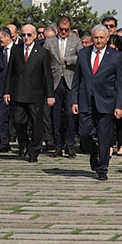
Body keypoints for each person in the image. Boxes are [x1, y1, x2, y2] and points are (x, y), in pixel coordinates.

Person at [71, 24, 122, 181]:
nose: (99, 40)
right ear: (91, 38)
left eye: (102, 38)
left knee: (104, 136)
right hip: (85, 100)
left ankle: (102, 168)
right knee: (83, 133)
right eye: (96, 38)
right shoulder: (83, 54)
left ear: (107, 38)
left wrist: (120, 105)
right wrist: (74, 100)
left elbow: (121, 83)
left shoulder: (115, 56)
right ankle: (93, 151)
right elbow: (77, 79)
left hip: (106, 101)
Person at [3, 24, 55, 162]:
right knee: (18, 122)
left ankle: (34, 150)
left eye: (29, 35)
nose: (26, 37)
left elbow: (47, 75)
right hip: (19, 92)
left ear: (35, 36)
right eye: (24, 35)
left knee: (37, 123)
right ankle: (23, 143)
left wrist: (50, 94)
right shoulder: (16, 50)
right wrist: (6, 91)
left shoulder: (42, 52)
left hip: (36, 93)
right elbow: (9, 72)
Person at [44, 16, 82, 158]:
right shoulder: (49, 42)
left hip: (70, 81)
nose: (64, 32)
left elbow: (82, 57)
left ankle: (69, 145)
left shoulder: (76, 41)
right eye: (61, 29)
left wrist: (68, 60)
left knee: (70, 115)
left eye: (66, 29)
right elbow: (45, 62)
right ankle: (58, 145)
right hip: (55, 82)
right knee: (55, 116)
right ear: (57, 28)